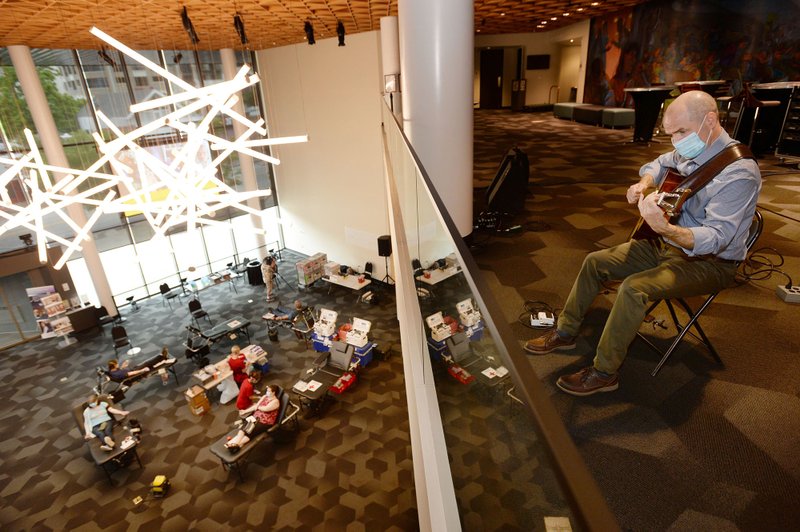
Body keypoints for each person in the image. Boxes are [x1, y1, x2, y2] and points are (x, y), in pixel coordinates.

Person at [524, 90, 761, 397]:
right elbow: (657, 164)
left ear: (711, 120)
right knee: (595, 261)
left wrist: (665, 228)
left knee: (633, 288)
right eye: (671, 133)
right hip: (667, 244)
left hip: (710, 262)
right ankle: (566, 331)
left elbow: (717, 238)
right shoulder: (691, 148)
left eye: (681, 132)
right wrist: (644, 183)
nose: (676, 141)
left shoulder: (739, 172)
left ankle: (604, 372)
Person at [225, 384, 281, 453]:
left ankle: (235, 444)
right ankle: (237, 444)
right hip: (256, 417)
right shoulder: (264, 397)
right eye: (267, 390)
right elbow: (255, 407)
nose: (267, 392)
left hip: (265, 422)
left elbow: (265, 409)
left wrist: (257, 406)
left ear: (273, 392)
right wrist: (245, 411)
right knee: (245, 425)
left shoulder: (275, 402)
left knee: (250, 430)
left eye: (269, 391)